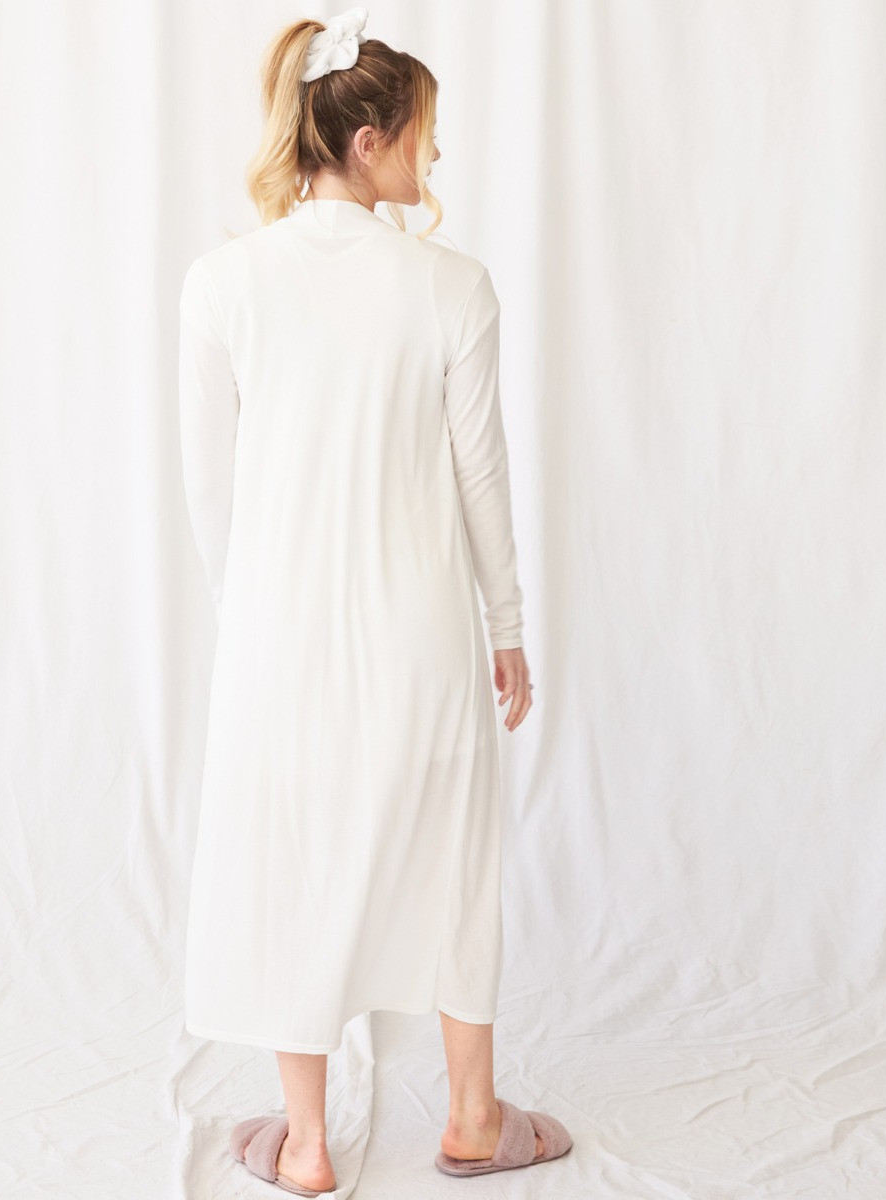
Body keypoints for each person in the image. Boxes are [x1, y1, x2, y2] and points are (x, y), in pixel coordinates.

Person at [177, 7, 571, 1193]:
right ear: (367, 142)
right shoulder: (453, 287)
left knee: (293, 863)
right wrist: (508, 630)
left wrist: (251, 626)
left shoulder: (220, 285)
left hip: (278, 645)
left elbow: (211, 495)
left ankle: (306, 1145)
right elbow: (482, 478)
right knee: (454, 861)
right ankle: (472, 1117)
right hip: (423, 641)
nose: (435, 154)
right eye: (423, 133)